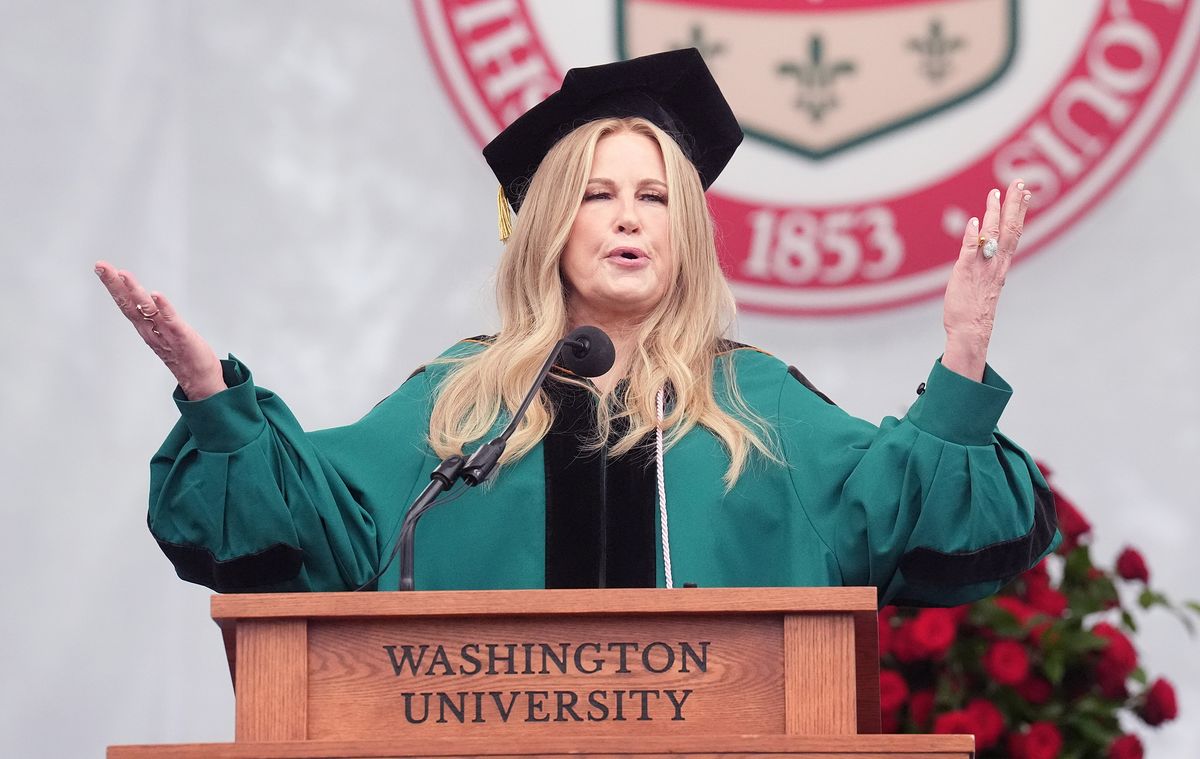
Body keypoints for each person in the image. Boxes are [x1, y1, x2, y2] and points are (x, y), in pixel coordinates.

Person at [95, 49, 1057, 605]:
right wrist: (216, 402)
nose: (629, 216)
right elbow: (313, 531)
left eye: (654, 196)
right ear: (551, 227)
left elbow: (917, 520)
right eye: (598, 195)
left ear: (687, 231)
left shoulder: (753, 404)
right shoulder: (461, 404)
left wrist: (963, 353)